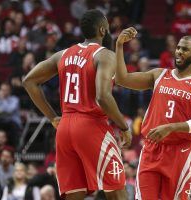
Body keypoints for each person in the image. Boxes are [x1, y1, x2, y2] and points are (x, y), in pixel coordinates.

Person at [23, 9, 132, 200]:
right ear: (102, 30)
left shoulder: (63, 54)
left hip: (64, 128)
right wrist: (124, 126)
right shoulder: (105, 55)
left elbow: (29, 81)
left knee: (74, 193)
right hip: (91, 125)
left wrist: (52, 117)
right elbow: (103, 96)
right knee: (116, 189)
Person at [116, 29, 191, 199]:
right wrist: (118, 46)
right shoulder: (159, 74)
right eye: (178, 48)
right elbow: (122, 79)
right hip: (151, 149)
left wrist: (171, 128)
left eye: (185, 49)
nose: (179, 52)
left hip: (178, 152)